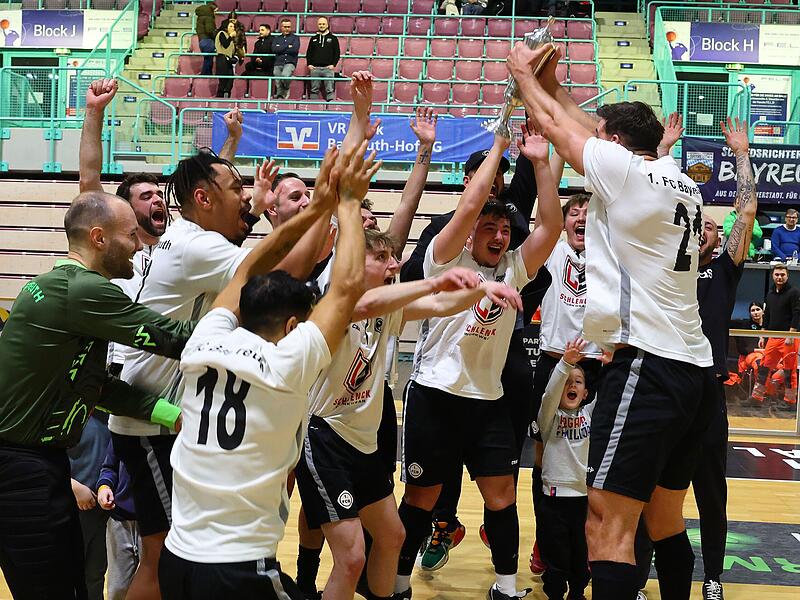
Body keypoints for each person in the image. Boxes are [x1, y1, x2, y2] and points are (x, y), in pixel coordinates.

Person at [508, 42, 714, 600]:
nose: (594, 141)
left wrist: (525, 78)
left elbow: (559, 129)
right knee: (664, 519)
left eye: (602, 138)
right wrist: (554, 84)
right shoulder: (676, 179)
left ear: (616, 145)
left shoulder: (623, 172)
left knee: (606, 523)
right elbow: (581, 124)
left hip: (647, 363)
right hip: (694, 369)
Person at [108, 147, 329, 599]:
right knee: (163, 557)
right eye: (236, 188)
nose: (246, 198)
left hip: (161, 418)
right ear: (204, 198)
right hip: (149, 423)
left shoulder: (188, 238)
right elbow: (281, 276)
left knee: (167, 555)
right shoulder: (196, 246)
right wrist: (325, 206)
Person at [158, 143, 372, 600]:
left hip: (178, 560)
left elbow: (244, 273)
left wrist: (317, 207)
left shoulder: (203, 339)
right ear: (292, 325)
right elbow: (347, 288)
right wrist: (348, 203)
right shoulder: (286, 363)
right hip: (238, 569)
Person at [297, 235, 523, 600]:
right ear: (353, 262)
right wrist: (436, 281)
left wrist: (483, 290)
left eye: (393, 256)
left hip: (363, 444)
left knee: (393, 536)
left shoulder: (387, 309)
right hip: (325, 439)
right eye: (381, 257)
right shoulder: (335, 302)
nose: (394, 264)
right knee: (352, 558)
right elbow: (367, 304)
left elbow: (439, 304)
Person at [394, 127, 562, 600]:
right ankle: (398, 584)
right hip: (435, 395)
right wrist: (499, 147)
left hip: (488, 401)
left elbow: (549, 227)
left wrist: (541, 162)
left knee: (501, 496)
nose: (500, 236)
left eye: (505, 230)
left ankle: (505, 588)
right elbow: (470, 205)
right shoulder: (444, 258)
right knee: (422, 499)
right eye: (490, 228)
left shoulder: (513, 268)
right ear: (470, 233)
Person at [0, 191, 194, 599]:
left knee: (73, 585)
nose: (139, 245)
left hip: (40, 463)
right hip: (21, 470)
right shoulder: (82, 290)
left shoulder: (61, 289)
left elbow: (95, 386)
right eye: (130, 235)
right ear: (99, 238)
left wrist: (169, 413)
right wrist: (249, 324)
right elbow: (174, 339)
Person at [693, 117, 758, 600]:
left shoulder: (724, 270)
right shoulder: (667, 267)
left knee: (712, 494)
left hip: (708, 393)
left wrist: (741, 154)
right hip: (666, 383)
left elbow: (747, 208)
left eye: (713, 227)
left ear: (720, 239)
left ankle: (713, 577)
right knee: (651, 487)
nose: (705, 230)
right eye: (698, 224)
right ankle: (637, 576)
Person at [534, 338, 595, 600]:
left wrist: (612, 365)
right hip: (553, 499)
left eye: (578, 382)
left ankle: (578, 593)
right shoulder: (549, 417)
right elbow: (549, 394)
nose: (571, 385)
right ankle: (555, 594)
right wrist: (565, 364)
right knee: (555, 557)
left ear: (586, 393)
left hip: (582, 499)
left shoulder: (591, 414)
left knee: (581, 555)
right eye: (566, 382)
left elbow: (612, 394)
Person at [69, 412, 113, 600]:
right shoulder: (66, 412)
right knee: (70, 574)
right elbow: (44, 459)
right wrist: (73, 487)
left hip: (103, 510)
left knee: (95, 574)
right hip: (71, 509)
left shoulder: (111, 415)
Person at [97, 437, 141, 600]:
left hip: (155, 522)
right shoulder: (119, 430)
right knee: (117, 589)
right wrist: (104, 487)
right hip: (119, 519)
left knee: (153, 586)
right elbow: (109, 467)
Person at [752, 263, 800, 406]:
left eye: (782, 275)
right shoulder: (770, 294)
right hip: (773, 338)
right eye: (777, 274)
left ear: (787, 276)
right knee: (764, 367)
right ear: (773, 276)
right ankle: (757, 398)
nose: (779, 277)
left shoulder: (794, 292)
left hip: (789, 338)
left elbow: (797, 314)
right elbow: (767, 316)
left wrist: (791, 335)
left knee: (789, 370)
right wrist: (762, 335)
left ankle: (790, 401)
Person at [306, 16, 340, 102]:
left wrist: (333, 65)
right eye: (320, 24)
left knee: (329, 89)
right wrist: (309, 64)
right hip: (315, 68)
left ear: (327, 25)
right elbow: (309, 52)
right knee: (314, 89)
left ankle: (330, 105)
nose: (321, 26)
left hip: (328, 68)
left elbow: (337, 53)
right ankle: (313, 105)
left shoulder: (333, 38)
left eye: (323, 24)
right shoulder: (313, 38)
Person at [215, 20, 244, 98]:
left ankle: (227, 96)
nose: (233, 28)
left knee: (230, 81)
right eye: (231, 26)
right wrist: (231, 36)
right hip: (222, 60)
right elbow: (225, 44)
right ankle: (220, 98)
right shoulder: (221, 33)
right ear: (226, 27)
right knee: (223, 82)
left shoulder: (231, 38)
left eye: (233, 27)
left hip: (229, 61)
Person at [273, 18, 300, 100]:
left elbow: (294, 49)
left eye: (288, 27)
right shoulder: (276, 38)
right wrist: (288, 46)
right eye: (285, 27)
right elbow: (274, 49)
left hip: (290, 62)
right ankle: (280, 97)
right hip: (278, 62)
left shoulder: (295, 38)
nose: (287, 29)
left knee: (285, 76)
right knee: (278, 81)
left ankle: (286, 88)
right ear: (281, 27)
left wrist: (280, 47)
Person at [195, 2, 217, 76]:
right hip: (208, 41)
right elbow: (209, 30)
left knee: (207, 59)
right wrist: (216, 35)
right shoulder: (208, 17)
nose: (215, 13)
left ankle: (206, 75)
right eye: (215, 11)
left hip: (201, 40)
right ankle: (205, 75)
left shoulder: (201, 16)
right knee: (208, 60)